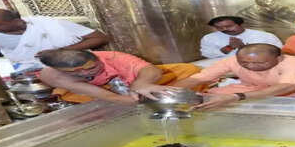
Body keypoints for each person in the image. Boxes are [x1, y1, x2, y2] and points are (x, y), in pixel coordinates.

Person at [174, 44, 295, 110]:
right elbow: (199, 78)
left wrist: (237, 97)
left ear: (279, 58)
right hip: (254, 88)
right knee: (211, 94)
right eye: (244, 62)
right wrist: (169, 91)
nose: (250, 66)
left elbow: (289, 87)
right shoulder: (233, 60)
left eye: (259, 64)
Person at [0, 8, 109, 72]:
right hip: (27, 70)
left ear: (16, 21)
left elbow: (100, 38)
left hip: (70, 66)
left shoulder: (50, 24)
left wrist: (61, 51)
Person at [38, 50, 201, 104]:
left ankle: (155, 94)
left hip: (135, 82)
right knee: (72, 99)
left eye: (91, 68)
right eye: (75, 73)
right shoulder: (53, 75)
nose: (84, 73)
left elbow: (151, 71)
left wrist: (141, 85)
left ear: (97, 58)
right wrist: (144, 101)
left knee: (188, 70)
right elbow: (108, 96)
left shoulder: (113, 58)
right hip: (98, 92)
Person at [200, 16, 282, 59]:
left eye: (229, 26)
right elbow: (208, 55)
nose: (224, 29)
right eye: (219, 27)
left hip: (259, 66)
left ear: (240, 24)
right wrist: (229, 47)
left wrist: (244, 48)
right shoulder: (209, 38)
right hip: (224, 68)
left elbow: (278, 52)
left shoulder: (265, 36)